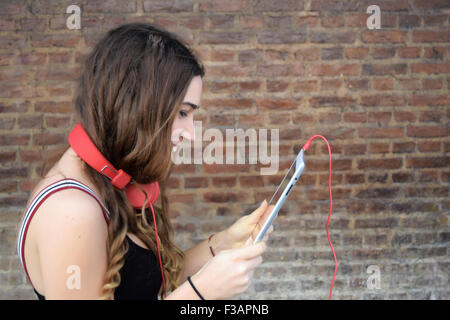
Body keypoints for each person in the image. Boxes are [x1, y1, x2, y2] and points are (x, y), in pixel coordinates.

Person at [16, 23, 273, 300]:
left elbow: (139, 285)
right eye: (183, 113)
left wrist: (222, 244)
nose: (191, 134)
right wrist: (200, 294)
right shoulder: (72, 213)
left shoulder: (110, 176)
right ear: (137, 106)